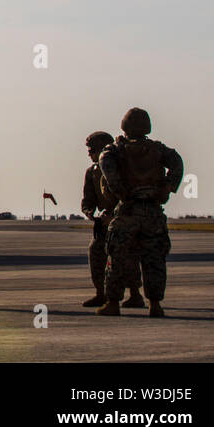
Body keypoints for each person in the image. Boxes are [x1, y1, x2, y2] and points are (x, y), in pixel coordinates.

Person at [96, 108, 184, 317]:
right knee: (154, 259)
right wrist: (167, 188)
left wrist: (120, 192)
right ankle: (155, 303)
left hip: (128, 211)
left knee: (116, 257)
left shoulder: (115, 150)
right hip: (153, 211)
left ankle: (113, 302)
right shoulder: (158, 150)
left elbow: (106, 167)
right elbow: (177, 163)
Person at [80, 131, 143, 308]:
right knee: (96, 253)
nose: (89, 154)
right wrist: (91, 213)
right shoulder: (92, 172)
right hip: (103, 222)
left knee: (128, 257)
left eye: (92, 150)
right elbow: (87, 200)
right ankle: (101, 293)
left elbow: (128, 196)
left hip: (123, 219)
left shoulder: (120, 169)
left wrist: (115, 216)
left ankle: (135, 294)